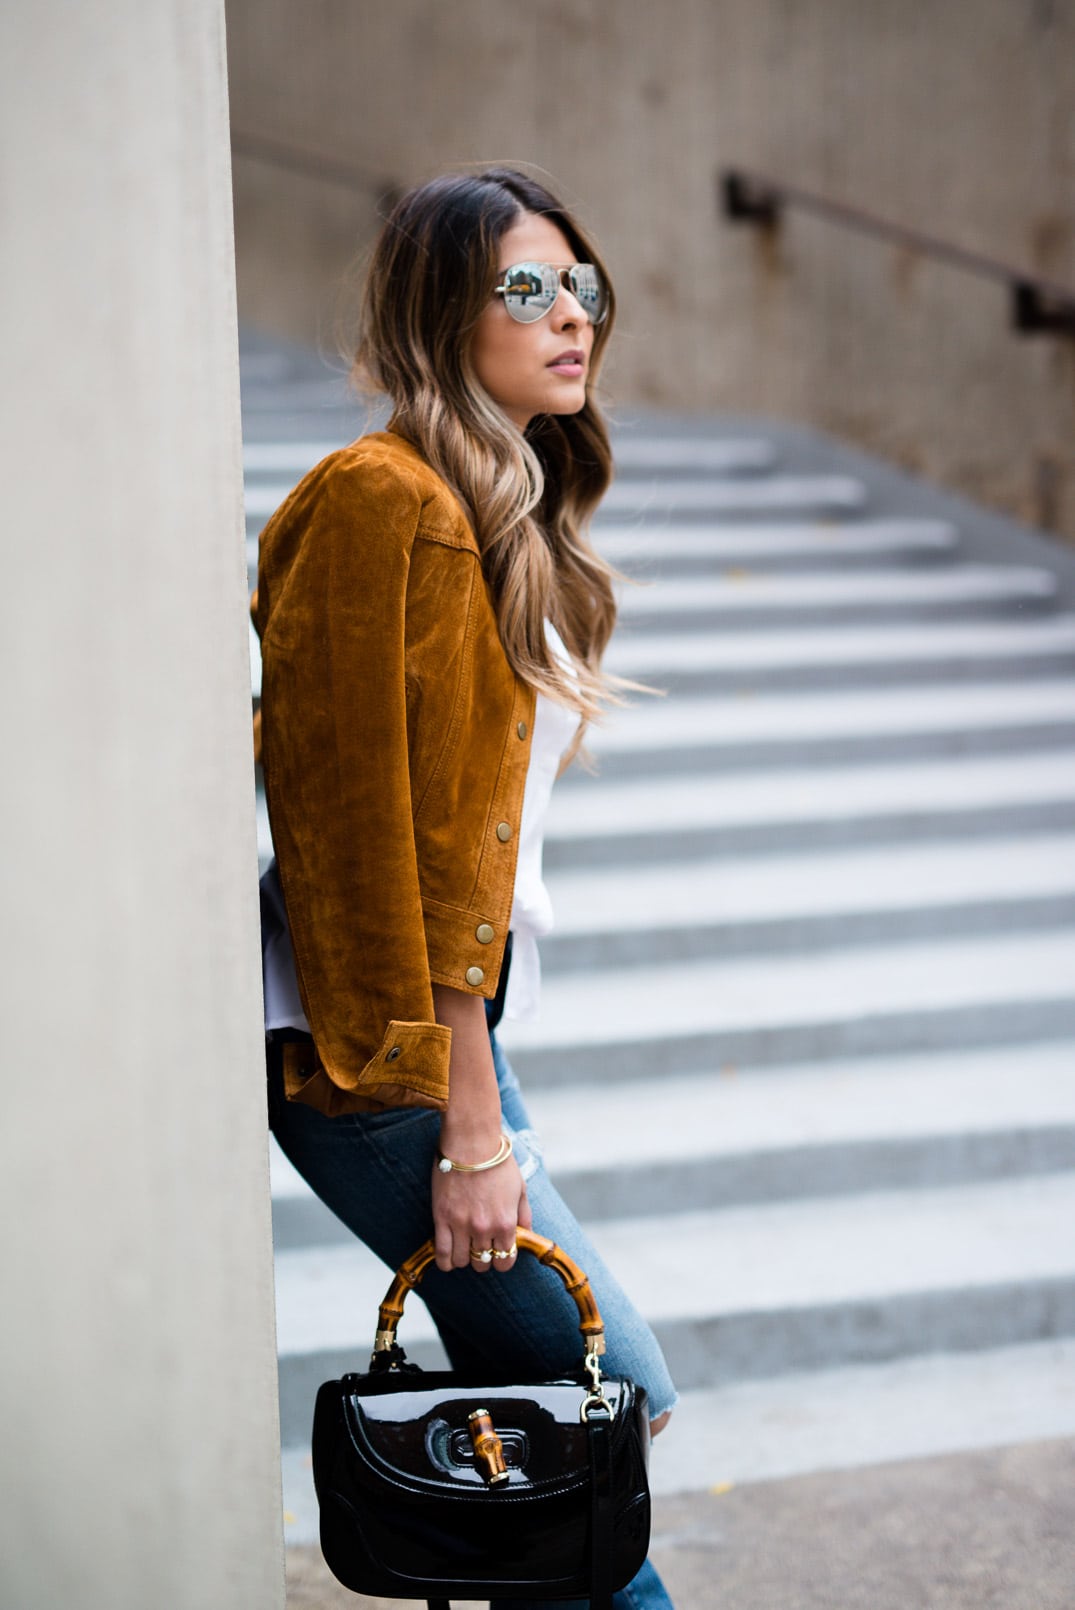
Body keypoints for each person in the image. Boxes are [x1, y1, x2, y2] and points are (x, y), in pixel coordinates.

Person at [255, 165, 678, 1609]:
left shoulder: (490, 506)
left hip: (440, 1054)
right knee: (608, 1406)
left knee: (572, 1449)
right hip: (392, 1063)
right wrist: (465, 1112)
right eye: (526, 288)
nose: (571, 315)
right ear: (445, 311)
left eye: (582, 287)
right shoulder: (385, 502)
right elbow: (374, 833)